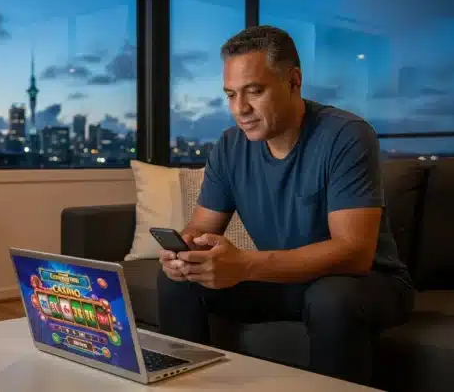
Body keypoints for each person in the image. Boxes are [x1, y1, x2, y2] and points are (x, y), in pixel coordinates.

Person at [156, 25, 415, 386]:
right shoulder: (230, 147)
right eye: (230, 95)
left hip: (368, 282)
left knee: (331, 297)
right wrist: (183, 254)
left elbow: (354, 253)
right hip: (285, 280)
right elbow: (200, 230)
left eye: (254, 91)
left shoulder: (346, 135)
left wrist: (245, 264)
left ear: (293, 81)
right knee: (180, 282)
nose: (239, 109)